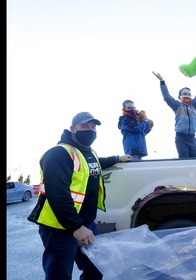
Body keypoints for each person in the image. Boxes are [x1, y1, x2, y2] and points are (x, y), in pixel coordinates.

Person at [27, 111, 133, 280]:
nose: (90, 130)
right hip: (59, 227)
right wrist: (76, 227)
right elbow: (57, 194)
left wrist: (117, 158)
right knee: (59, 275)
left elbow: (97, 163)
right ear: (73, 128)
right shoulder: (59, 153)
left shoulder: (87, 153)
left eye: (93, 127)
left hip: (85, 224)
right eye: (85, 126)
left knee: (97, 268)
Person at [152, 71, 196, 158]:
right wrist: (162, 82)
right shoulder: (177, 106)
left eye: (189, 94)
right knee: (184, 159)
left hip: (192, 138)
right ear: (179, 97)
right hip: (181, 138)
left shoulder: (194, 105)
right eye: (184, 94)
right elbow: (167, 97)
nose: (187, 96)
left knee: (194, 160)